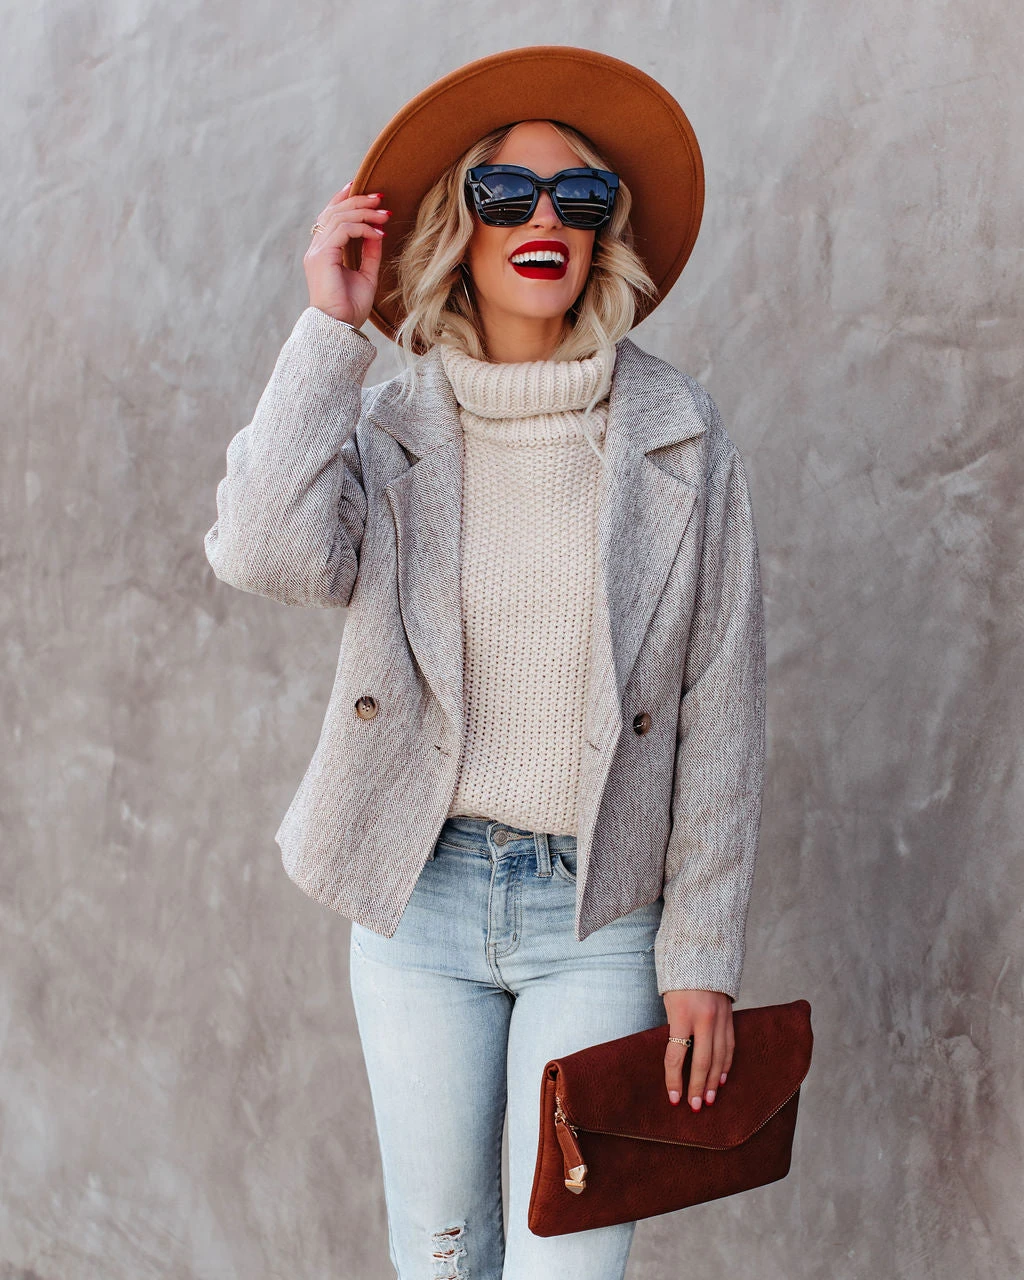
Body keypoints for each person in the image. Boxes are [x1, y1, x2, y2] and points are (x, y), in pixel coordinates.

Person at [205, 47, 766, 1280]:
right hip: (422, 895)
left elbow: (721, 704)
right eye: (506, 194)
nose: (543, 219)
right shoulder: (392, 427)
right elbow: (262, 549)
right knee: (443, 1258)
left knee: (569, 1264)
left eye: (580, 195)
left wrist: (702, 958)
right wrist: (329, 330)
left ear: (606, 233)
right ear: (459, 231)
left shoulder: (679, 433)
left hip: (600, 915)